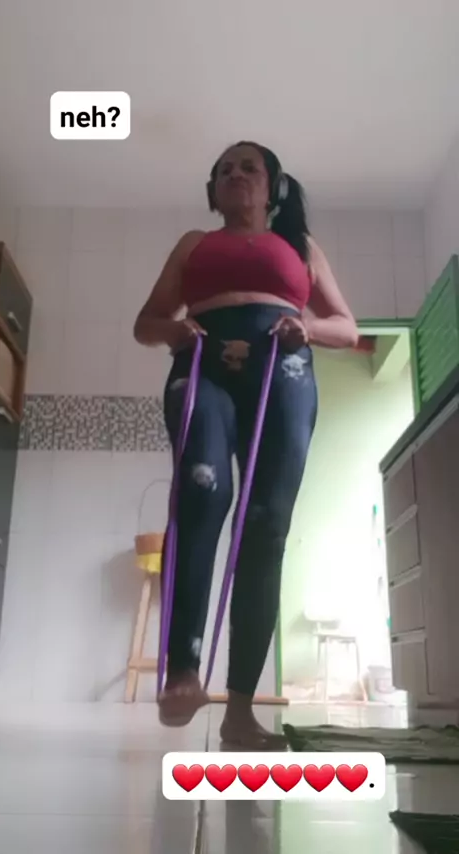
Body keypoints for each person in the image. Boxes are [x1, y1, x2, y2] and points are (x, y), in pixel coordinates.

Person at [134, 141, 358, 749]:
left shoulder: (300, 249)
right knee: (202, 493)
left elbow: (346, 327)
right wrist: (175, 330)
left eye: (248, 167)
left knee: (266, 526)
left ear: (273, 186)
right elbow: (146, 323)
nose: (235, 174)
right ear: (213, 191)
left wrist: (306, 327)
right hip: (201, 367)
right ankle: (183, 672)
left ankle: (239, 712)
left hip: (283, 371)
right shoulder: (193, 244)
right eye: (224, 170)